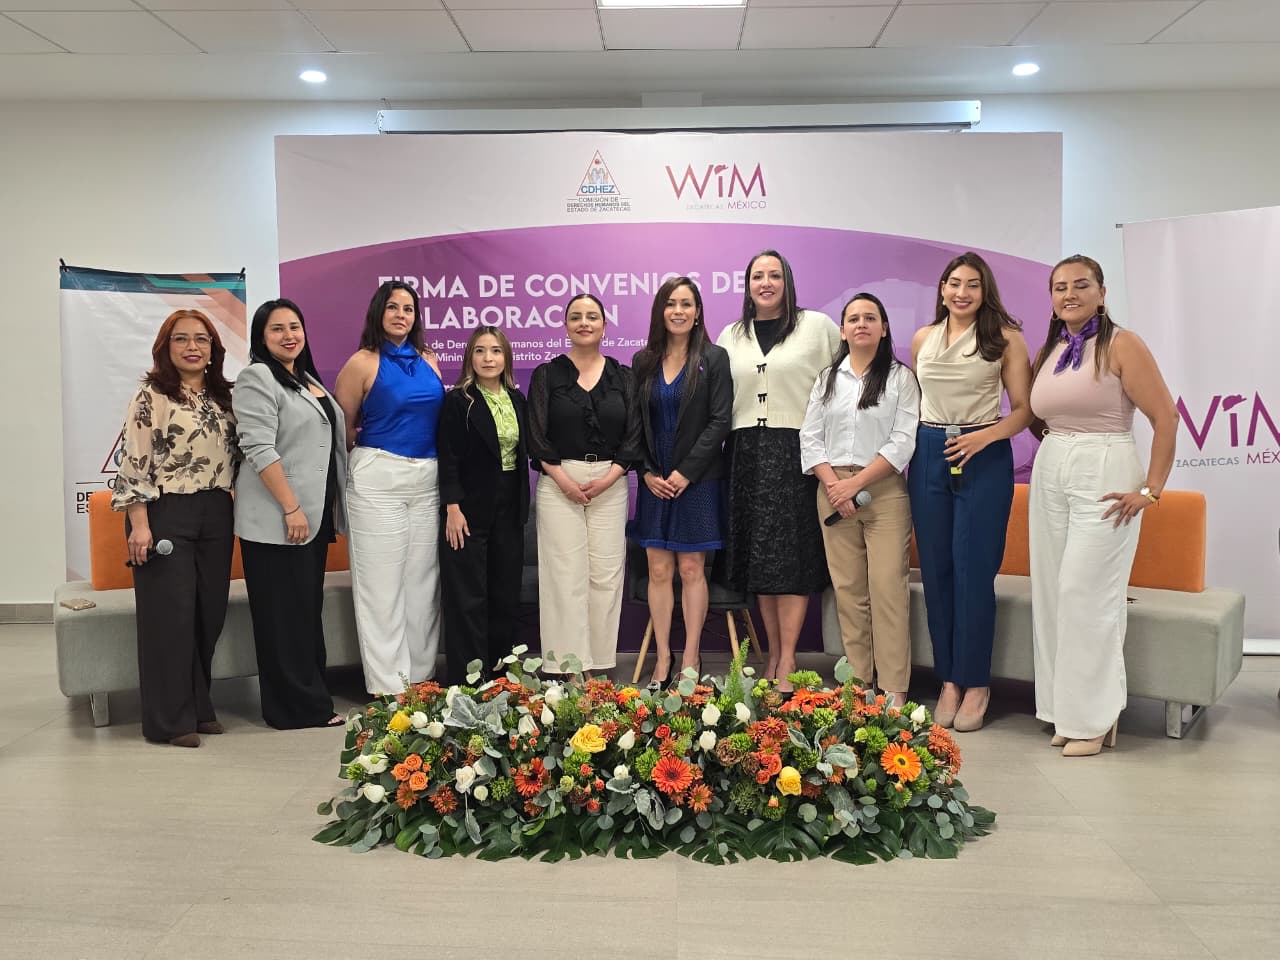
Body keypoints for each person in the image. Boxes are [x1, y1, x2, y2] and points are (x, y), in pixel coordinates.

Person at [1028, 255, 1177, 757]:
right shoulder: (1051, 347)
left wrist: (1151, 490)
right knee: (1051, 591)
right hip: (1053, 465)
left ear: (1102, 291)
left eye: (1080, 285)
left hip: (1105, 465)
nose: (1069, 294)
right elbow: (1037, 412)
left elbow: (1166, 417)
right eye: (1059, 287)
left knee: (1085, 592)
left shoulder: (1123, 344)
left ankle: (1095, 718)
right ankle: (1061, 709)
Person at [908, 252, 1032, 732]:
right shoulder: (924, 338)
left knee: (974, 571)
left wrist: (984, 436)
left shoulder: (1005, 339)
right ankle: (949, 682)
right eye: (954, 283)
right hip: (929, 448)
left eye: (973, 285)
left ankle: (977, 682)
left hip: (984, 449)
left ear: (985, 292)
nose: (962, 292)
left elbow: (1023, 409)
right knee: (936, 570)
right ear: (942, 289)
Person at [111, 309, 238, 747]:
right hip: (167, 512)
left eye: (201, 339)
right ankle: (170, 721)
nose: (192, 347)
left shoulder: (224, 396)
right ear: (166, 348)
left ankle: (199, 706)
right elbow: (134, 464)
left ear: (213, 349)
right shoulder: (152, 396)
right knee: (172, 617)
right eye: (181, 339)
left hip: (217, 511)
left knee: (208, 613)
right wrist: (139, 525)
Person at [716, 249, 840, 693]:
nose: (765, 283)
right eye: (756, 276)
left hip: (798, 450)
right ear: (747, 285)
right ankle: (771, 652)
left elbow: (843, 387)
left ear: (787, 280)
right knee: (761, 563)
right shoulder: (730, 335)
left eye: (773, 275)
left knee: (792, 558)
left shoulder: (819, 327)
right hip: (745, 451)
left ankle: (788, 656)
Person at [801, 293, 919, 705]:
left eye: (871, 318)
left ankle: (893, 688)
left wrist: (857, 484)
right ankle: (858, 683)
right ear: (843, 330)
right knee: (849, 593)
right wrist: (836, 485)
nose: (862, 324)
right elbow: (810, 438)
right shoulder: (827, 379)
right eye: (854, 318)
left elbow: (903, 440)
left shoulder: (901, 378)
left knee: (887, 590)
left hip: (883, 493)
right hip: (832, 491)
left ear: (884, 328)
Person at [233, 299, 346, 729]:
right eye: (276, 328)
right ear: (262, 337)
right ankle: (291, 709)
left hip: (311, 520)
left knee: (303, 612)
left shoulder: (306, 379)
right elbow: (259, 447)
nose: (288, 335)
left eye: (294, 326)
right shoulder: (258, 377)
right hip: (280, 519)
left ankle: (311, 698)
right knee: (281, 618)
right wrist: (291, 506)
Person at [334, 281, 445, 696]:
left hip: (427, 477)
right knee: (381, 585)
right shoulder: (361, 363)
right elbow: (343, 429)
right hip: (377, 477)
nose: (402, 314)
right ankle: (388, 686)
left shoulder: (429, 360)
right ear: (378, 312)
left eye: (409, 309)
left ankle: (419, 678)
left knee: (422, 583)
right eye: (393, 307)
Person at [528, 293, 643, 678]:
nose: (584, 322)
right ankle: (566, 668)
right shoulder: (547, 375)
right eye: (575, 317)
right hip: (558, 482)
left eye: (592, 316)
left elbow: (633, 436)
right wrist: (564, 481)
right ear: (565, 326)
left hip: (610, 484)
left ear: (605, 326)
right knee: (564, 576)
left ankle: (597, 667)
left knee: (605, 577)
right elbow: (536, 435)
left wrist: (610, 477)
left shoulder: (624, 376)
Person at [627, 276, 732, 690]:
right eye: (671, 303)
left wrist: (686, 471)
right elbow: (636, 426)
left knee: (691, 568)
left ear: (698, 311)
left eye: (686, 304)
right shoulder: (643, 361)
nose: (678, 311)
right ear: (660, 311)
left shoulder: (714, 358)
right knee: (657, 569)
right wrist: (647, 473)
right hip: (655, 482)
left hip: (699, 481)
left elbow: (720, 420)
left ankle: (690, 656)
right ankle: (663, 658)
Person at [438, 326, 530, 685]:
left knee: (504, 593)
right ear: (469, 358)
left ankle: (501, 673)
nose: (488, 358)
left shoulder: (517, 399)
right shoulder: (458, 401)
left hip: (510, 506)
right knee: (468, 597)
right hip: (468, 508)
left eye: (495, 351)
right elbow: (448, 456)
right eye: (480, 351)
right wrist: (452, 506)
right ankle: (467, 680)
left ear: (506, 357)